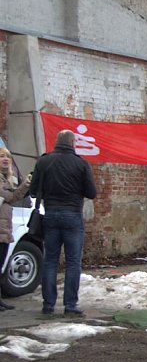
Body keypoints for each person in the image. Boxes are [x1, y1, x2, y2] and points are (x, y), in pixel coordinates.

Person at [29, 130, 97, 316]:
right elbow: (91, 192)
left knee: (50, 260)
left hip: (50, 214)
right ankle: (70, 305)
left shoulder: (43, 161)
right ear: (73, 143)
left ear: (56, 142)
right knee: (73, 261)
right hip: (72, 215)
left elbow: (34, 190)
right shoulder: (81, 163)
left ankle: (48, 304)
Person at [0, 147, 31, 311]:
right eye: (1, 157)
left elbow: (13, 198)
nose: (5, 159)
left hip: (4, 228)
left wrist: (25, 184)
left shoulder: (7, 180)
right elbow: (9, 197)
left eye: (8, 157)